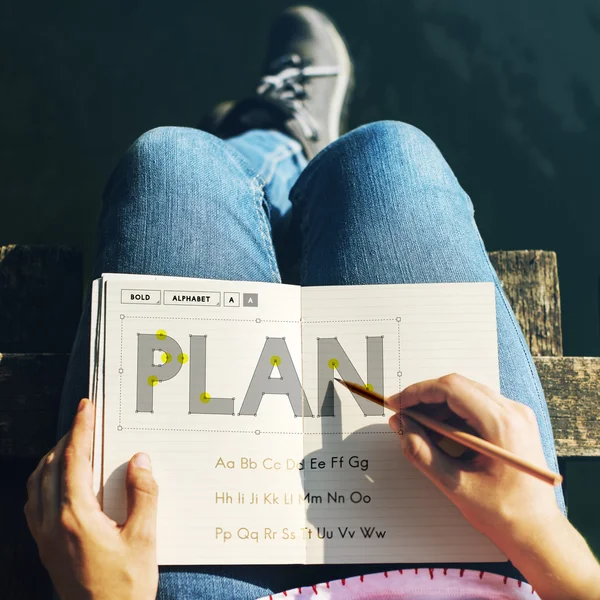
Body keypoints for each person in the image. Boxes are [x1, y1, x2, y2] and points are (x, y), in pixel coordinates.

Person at [24, 6, 600, 599]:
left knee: (172, 163)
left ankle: (266, 148)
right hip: (479, 575)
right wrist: (545, 536)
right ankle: (283, 153)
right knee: (387, 155)